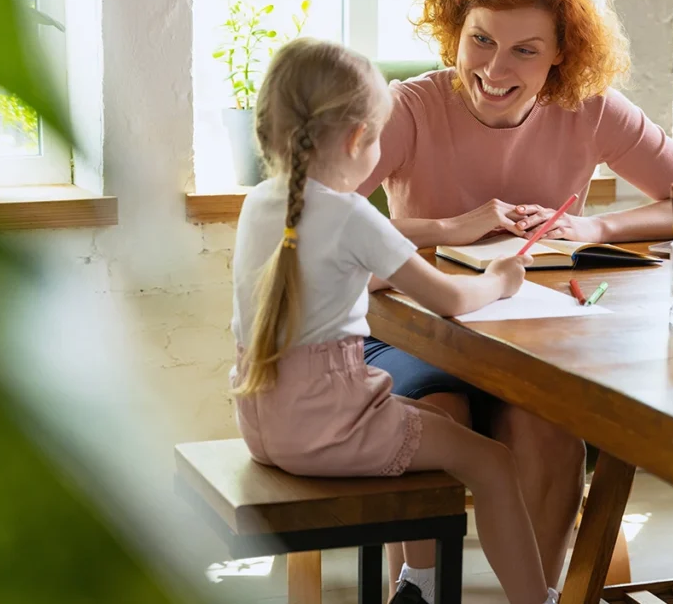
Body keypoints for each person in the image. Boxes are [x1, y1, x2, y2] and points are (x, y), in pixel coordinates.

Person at [358, 0, 673, 595]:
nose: (496, 70)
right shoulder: (409, 108)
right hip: (416, 331)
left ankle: (543, 594)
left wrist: (594, 224)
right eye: (482, 40)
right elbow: (311, 223)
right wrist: (448, 228)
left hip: (531, 343)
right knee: (438, 411)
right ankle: (417, 585)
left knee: (547, 427)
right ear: (456, 29)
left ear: (560, 55)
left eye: (526, 50)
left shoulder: (587, 110)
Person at [228, 36, 558, 604]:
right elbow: (451, 300)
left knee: (434, 426)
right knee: (492, 461)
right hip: (331, 426)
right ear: (359, 139)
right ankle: (536, 600)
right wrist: (500, 280)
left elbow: (335, 271)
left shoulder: (261, 202)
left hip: (266, 424)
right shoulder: (353, 214)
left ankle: (416, 586)